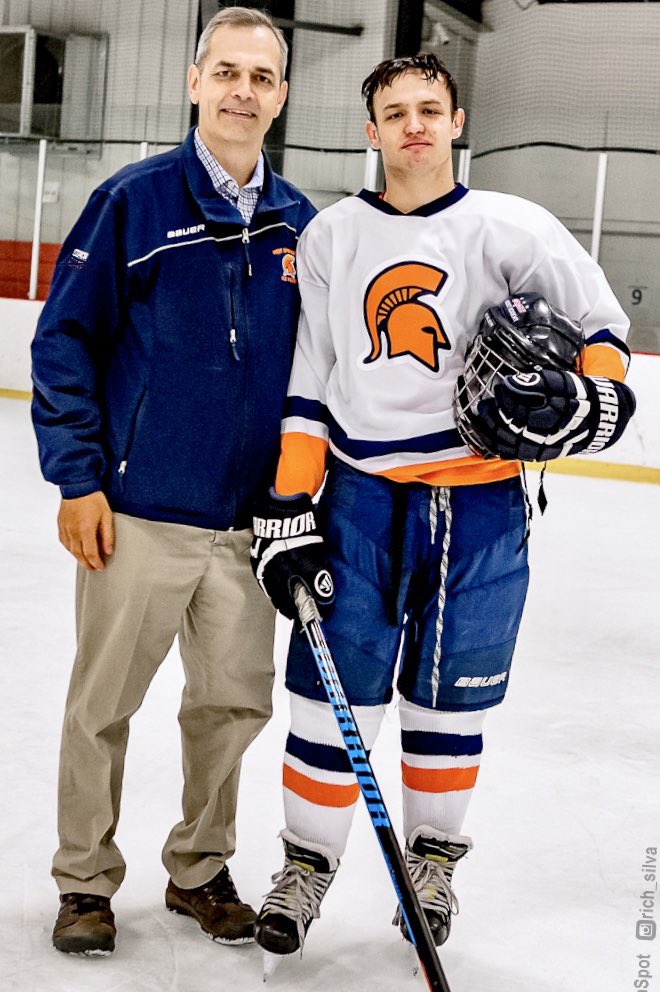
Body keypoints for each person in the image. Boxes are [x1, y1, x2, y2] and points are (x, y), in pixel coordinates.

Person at [249, 53, 635, 962]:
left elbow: (605, 332)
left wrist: (592, 396)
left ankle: (431, 862)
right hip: (358, 498)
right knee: (326, 699)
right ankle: (307, 866)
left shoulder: (514, 225)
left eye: (430, 108)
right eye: (394, 111)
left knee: (447, 706)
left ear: (458, 122)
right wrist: (286, 506)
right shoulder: (334, 237)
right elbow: (313, 380)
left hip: (485, 505)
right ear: (372, 129)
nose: (413, 124)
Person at [31, 7, 316, 956]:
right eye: (225, 72)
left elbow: (322, 373)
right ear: (195, 83)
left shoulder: (298, 223)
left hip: (250, 525)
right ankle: (84, 882)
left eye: (262, 77)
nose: (243, 90)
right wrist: (79, 479)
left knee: (231, 707)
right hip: (138, 513)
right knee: (102, 706)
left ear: (280, 95)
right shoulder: (134, 200)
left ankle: (199, 869)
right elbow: (64, 341)